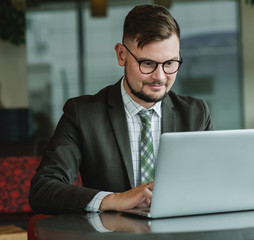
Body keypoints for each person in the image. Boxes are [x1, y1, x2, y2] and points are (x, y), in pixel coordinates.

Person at [29, 4, 214, 214]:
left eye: (170, 63)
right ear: (121, 55)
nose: (160, 77)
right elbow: (42, 189)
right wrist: (115, 199)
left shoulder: (196, 114)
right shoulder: (82, 115)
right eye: (147, 63)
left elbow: (215, 183)